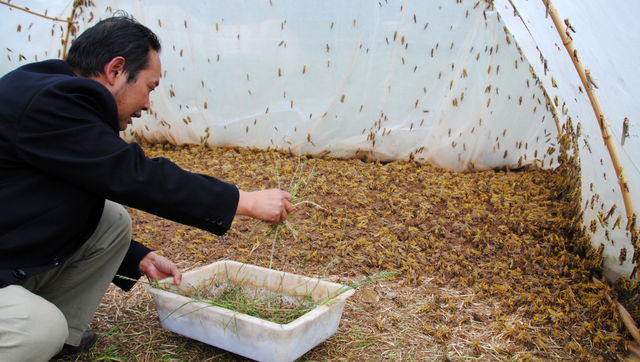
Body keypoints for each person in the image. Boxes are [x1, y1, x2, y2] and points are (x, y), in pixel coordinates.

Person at [0, 12, 293, 362]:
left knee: (112, 222)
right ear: (115, 70)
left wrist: (136, 257)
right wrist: (242, 201)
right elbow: (130, 174)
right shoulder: (54, 101)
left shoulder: (46, 91)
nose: (147, 105)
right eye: (149, 88)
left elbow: (42, 200)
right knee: (38, 328)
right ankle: (41, 333)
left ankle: (60, 341)